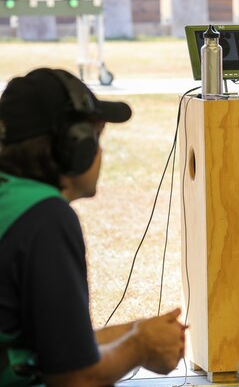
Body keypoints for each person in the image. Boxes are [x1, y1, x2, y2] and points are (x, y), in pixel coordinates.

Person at [0, 68, 186, 386]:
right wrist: (140, 346)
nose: (100, 150)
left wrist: (135, 331)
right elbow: (75, 379)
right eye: (96, 136)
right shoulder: (45, 218)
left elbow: (55, 349)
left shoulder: (13, 203)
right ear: (74, 145)